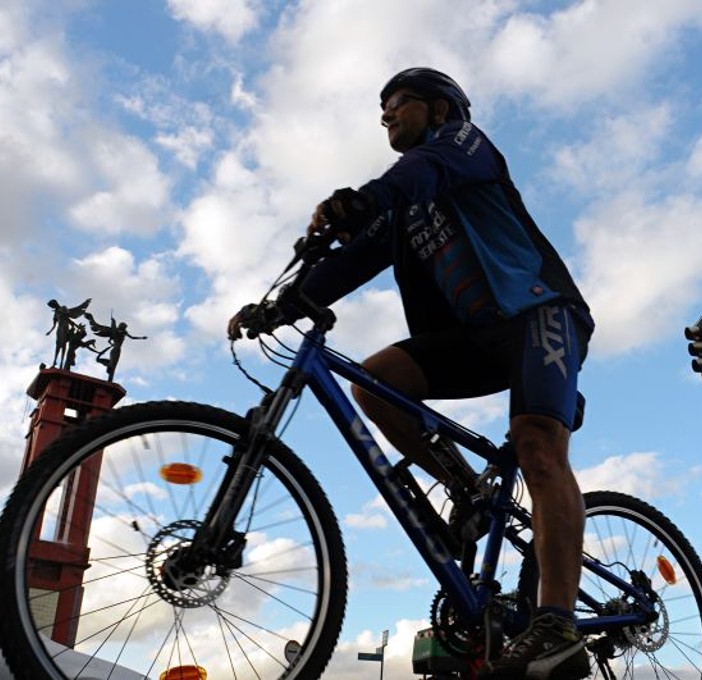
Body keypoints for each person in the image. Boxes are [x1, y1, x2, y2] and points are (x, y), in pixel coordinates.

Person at [229, 67, 594, 680]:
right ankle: (467, 490)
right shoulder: (402, 211)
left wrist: (365, 196)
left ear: (441, 108)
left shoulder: (465, 146)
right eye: (383, 110)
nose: (386, 116)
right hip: (475, 337)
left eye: (397, 104)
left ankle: (557, 623)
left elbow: (421, 173)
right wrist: (283, 305)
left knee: (537, 443)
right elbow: (349, 262)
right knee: (378, 381)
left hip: (539, 313)